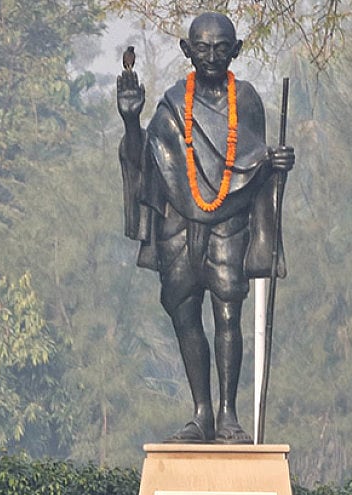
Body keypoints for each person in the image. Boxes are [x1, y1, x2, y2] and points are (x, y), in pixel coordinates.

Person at [117, 12, 295, 444]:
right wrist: (130, 121)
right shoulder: (172, 106)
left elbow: (253, 163)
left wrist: (277, 166)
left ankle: (228, 414)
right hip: (179, 223)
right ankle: (201, 413)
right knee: (183, 312)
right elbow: (147, 164)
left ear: (235, 50)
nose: (211, 56)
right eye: (202, 48)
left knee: (228, 312)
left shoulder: (247, 100)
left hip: (228, 221)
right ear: (187, 50)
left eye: (221, 48)